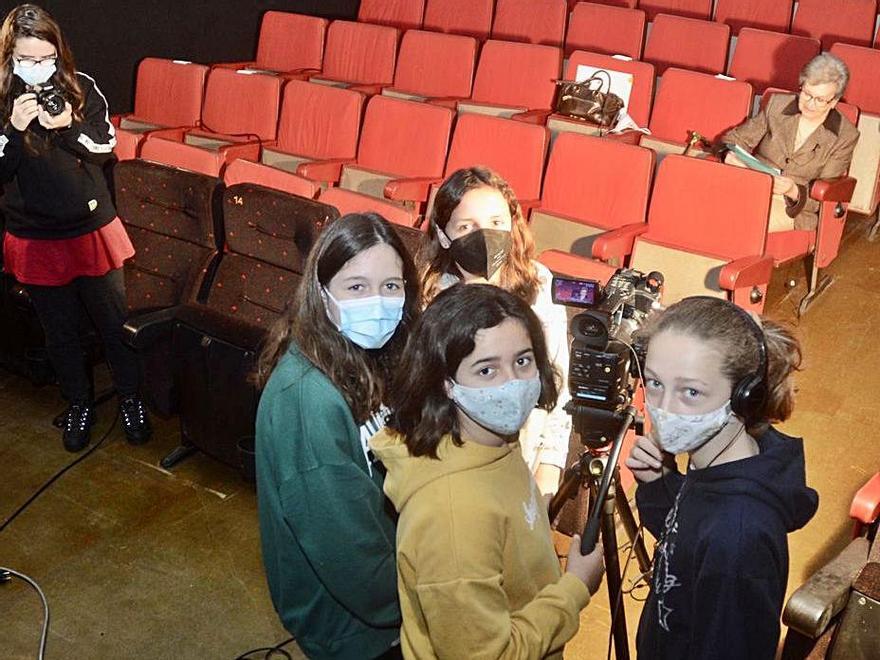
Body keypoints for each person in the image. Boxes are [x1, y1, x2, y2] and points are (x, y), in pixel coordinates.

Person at [371, 283, 604, 659]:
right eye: (486, 369)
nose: (512, 383)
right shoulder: (451, 515)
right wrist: (575, 587)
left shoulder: (494, 442)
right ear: (446, 384)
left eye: (523, 361)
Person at [254, 213, 420, 660]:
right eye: (356, 287)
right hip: (358, 630)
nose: (378, 302)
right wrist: (432, 604)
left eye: (391, 286)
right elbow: (351, 558)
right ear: (322, 294)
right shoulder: (307, 399)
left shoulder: (365, 356)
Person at [625, 297, 819, 659]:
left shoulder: (739, 537)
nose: (663, 408)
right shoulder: (713, 462)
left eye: (691, 392)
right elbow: (681, 536)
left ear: (745, 397)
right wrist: (657, 482)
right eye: (654, 383)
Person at [0, 4, 150, 451]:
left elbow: (105, 146)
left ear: (58, 53)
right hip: (34, 235)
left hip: (89, 228)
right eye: (25, 60)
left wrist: (65, 126)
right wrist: (13, 127)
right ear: (10, 57)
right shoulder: (3, 98)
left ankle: (130, 399)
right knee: (59, 333)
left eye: (44, 59)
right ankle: (79, 403)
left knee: (114, 325)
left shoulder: (81, 87)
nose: (36, 69)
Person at [419, 167, 570, 494]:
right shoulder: (431, 294)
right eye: (466, 226)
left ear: (513, 226)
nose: (484, 235)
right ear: (444, 235)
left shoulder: (539, 286)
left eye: (496, 223)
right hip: (448, 467)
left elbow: (557, 387)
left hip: (521, 464)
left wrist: (548, 472)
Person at [722, 53, 859, 232]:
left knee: (739, 221)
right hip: (751, 186)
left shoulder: (845, 135)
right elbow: (733, 139)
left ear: (833, 102)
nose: (810, 104)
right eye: (807, 94)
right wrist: (729, 155)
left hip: (793, 209)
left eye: (820, 100)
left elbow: (826, 197)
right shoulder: (777, 106)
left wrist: (793, 191)